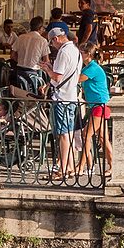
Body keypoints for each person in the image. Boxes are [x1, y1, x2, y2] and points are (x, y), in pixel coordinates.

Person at [42, 27, 83, 183]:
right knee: (69, 133)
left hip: (61, 98)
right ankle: (70, 167)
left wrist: (47, 70)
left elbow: (57, 77)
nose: (52, 47)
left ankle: (63, 169)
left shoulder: (63, 52)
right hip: (72, 96)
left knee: (63, 135)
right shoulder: (75, 50)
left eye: (52, 43)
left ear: (56, 39)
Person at [76, 44, 113, 182]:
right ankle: (113, 165)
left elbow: (77, 79)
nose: (80, 54)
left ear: (88, 54)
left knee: (86, 134)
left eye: (81, 52)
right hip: (98, 105)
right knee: (102, 138)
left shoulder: (92, 68)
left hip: (100, 105)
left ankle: (81, 166)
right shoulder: (87, 68)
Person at [10, 16, 51, 95]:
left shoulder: (21, 38)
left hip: (20, 71)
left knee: (21, 93)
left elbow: (12, 55)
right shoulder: (42, 41)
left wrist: (21, 61)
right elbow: (46, 61)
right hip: (34, 72)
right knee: (37, 93)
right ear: (41, 28)